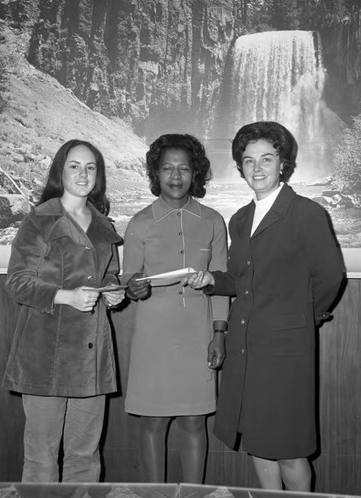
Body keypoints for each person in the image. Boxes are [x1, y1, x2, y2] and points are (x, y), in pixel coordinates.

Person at [185, 121, 345, 491]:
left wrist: (302, 318)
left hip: (286, 351)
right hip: (246, 347)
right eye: (248, 160)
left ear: (283, 164)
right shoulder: (239, 220)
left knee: (289, 448)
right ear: (240, 167)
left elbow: (331, 276)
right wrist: (212, 280)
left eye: (267, 159)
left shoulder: (307, 213)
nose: (257, 168)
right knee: (257, 442)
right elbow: (241, 280)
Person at [2, 139, 126, 482]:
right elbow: (17, 282)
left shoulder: (104, 225)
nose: (83, 173)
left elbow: (110, 275)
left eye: (90, 167)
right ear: (60, 171)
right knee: (41, 458)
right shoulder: (39, 220)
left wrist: (112, 292)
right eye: (74, 166)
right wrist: (66, 296)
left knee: (85, 457)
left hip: (92, 356)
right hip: (45, 353)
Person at [123, 133, 229, 483]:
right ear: (156, 173)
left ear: (195, 173)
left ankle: (193, 494)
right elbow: (129, 283)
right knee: (152, 421)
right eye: (167, 168)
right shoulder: (139, 223)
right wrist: (134, 288)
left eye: (184, 168)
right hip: (153, 334)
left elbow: (221, 282)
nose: (176, 176)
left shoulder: (213, 221)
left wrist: (219, 333)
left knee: (194, 420)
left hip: (197, 332)